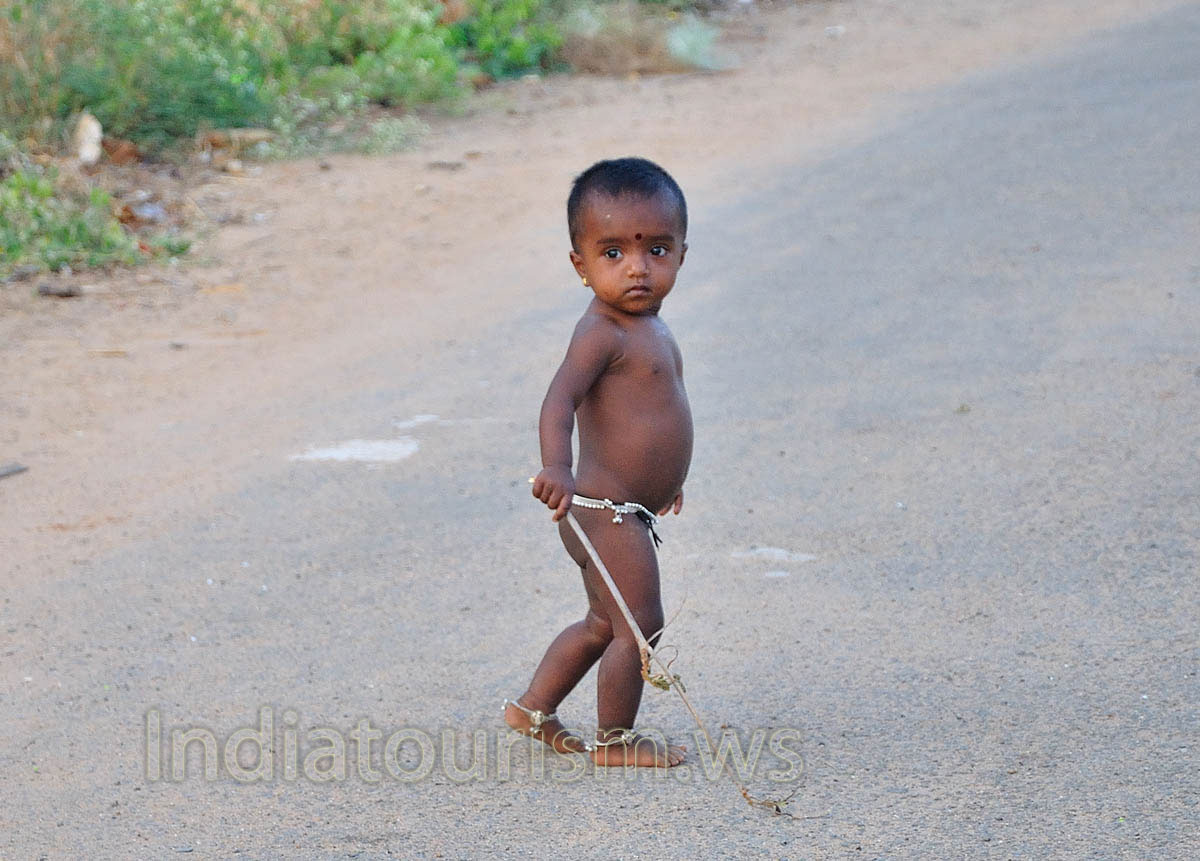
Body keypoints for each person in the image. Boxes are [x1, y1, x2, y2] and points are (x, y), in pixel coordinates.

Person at [504, 157, 692, 768]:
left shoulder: (651, 327)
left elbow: (656, 415)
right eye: (613, 253)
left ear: (682, 254)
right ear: (580, 265)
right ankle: (615, 741)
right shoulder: (601, 331)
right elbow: (559, 400)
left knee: (603, 623)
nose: (637, 268)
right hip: (600, 510)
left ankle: (534, 707)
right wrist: (555, 466)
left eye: (656, 249)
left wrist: (668, 481)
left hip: (625, 508)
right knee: (640, 623)